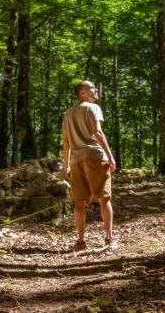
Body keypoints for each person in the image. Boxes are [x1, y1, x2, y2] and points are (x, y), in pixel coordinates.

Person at [61, 80, 117, 251]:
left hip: (76, 160)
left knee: (79, 202)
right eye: (93, 87)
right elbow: (97, 132)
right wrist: (110, 156)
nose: (96, 89)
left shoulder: (67, 114)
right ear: (82, 92)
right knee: (104, 197)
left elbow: (66, 141)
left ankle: (80, 241)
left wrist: (66, 164)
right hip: (94, 156)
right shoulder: (93, 108)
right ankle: (108, 239)